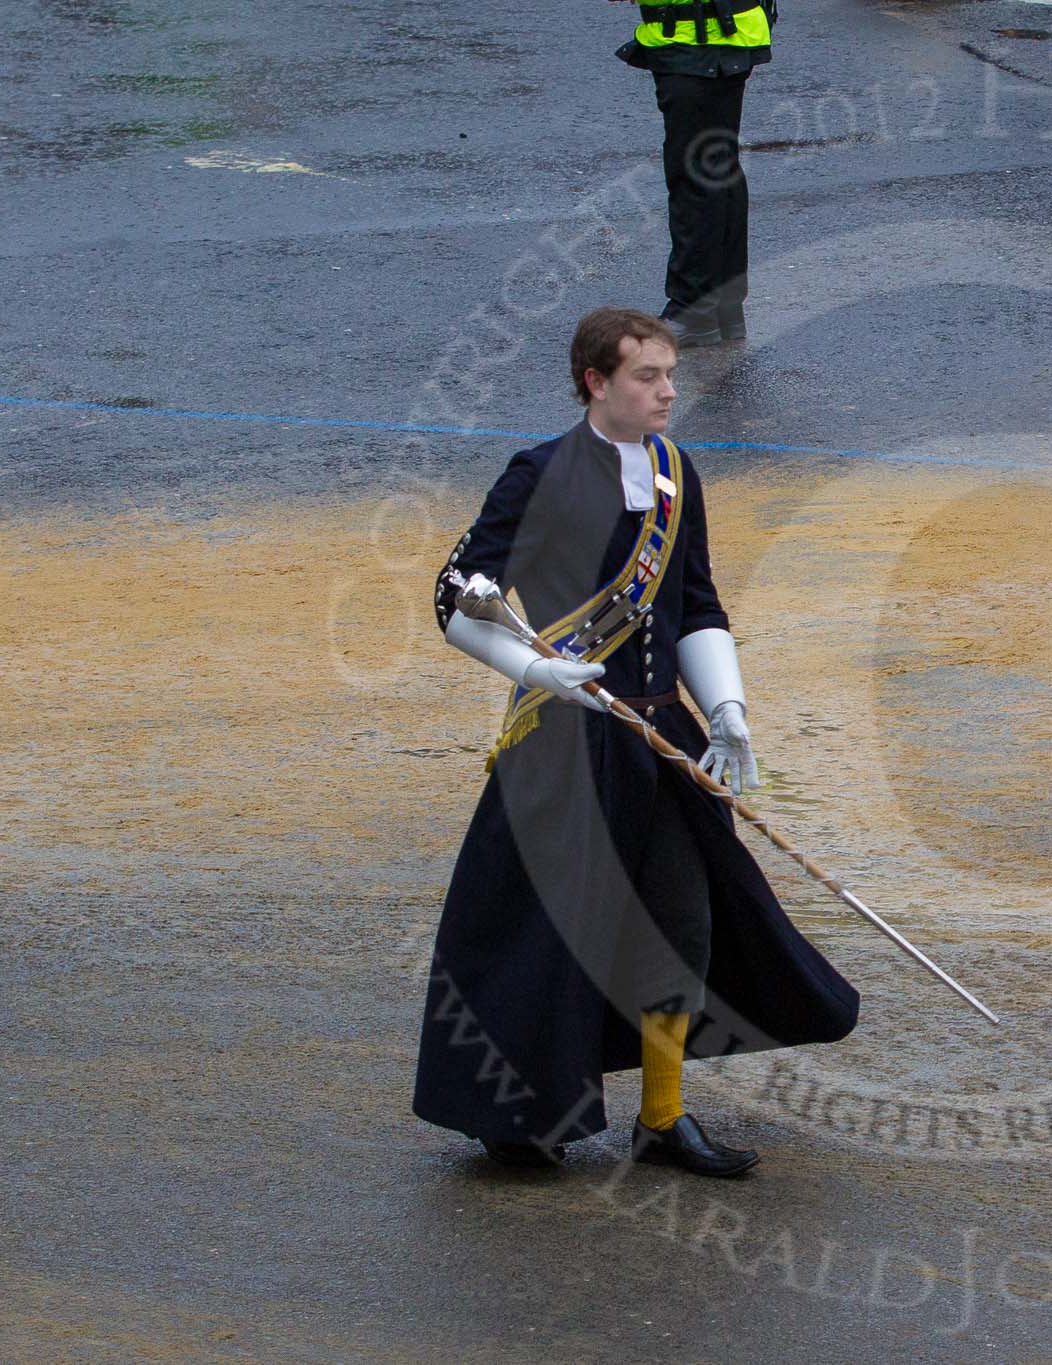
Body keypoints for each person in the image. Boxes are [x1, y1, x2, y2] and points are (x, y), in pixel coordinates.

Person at [413, 307, 857, 1175]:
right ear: (596, 382)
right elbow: (455, 598)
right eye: (647, 376)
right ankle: (519, 1112)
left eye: (669, 375)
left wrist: (727, 708)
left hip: (659, 737)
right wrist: (538, 673)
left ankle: (662, 1116)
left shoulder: (675, 473)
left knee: (680, 921)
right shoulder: (535, 475)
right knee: (544, 934)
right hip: (565, 742)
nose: (668, 391)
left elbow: (695, 602)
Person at [613, 0, 775, 347]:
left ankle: (694, 311)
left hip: (700, 37)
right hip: (712, 33)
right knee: (715, 170)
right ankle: (721, 308)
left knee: (696, 177)